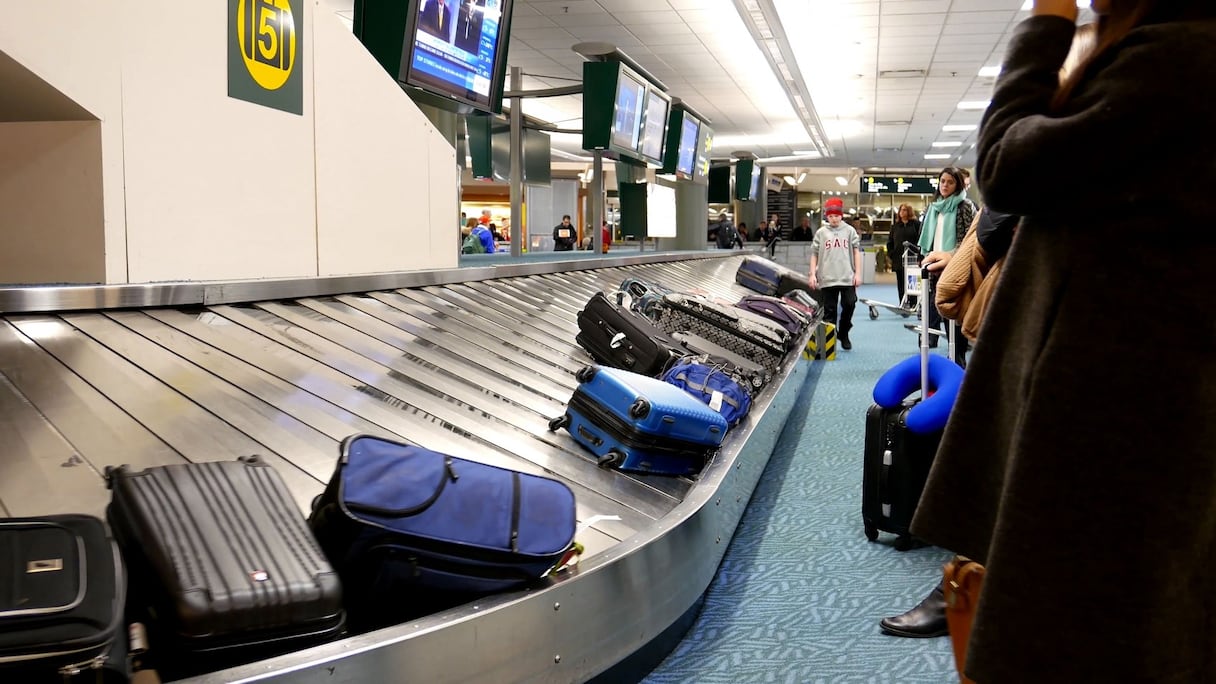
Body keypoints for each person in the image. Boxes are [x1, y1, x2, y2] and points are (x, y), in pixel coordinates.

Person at [910, 3, 1216, 682]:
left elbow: (1007, 166)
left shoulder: (1181, 51)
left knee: (1079, 621)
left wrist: (1043, 23)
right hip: (1113, 402)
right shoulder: (1167, 50)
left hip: (1113, 417)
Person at [880, 18, 1096, 644]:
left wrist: (1048, 24)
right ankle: (973, 581)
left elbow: (1002, 176)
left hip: (1089, 339)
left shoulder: (1157, 69)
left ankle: (975, 587)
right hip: (1068, 330)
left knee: (1024, 464)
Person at [917, 167, 975, 347]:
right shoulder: (933, 207)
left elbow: (970, 238)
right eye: (942, 181)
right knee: (937, 306)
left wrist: (950, 256)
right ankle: (934, 341)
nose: (945, 185)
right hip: (934, 265)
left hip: (956, 265)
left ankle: (958, 355)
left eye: (950, 182)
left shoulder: (965, 205)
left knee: (955, 311)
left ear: (957, 184)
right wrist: (926, 256)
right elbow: (928, 237)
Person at [809, 197, 861, 350]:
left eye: (836, 216)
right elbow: (814, 254)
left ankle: (844, 332)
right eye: (830, 216)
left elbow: (856, 252)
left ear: (841, 215)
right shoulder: (821, 233)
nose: (834, 219)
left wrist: (858, 273)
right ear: (826, 216)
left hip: (847, 276)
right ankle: (828, 344)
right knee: (829, 311)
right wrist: (812, 274)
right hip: (827, 277)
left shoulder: (849, 231)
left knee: (850, 304)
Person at [887, 204, 922, 304]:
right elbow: (890, 242)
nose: (902, 212)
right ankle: (903, 302)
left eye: (904, 210)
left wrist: (919, 254)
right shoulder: (895, 226)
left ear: (909, 212)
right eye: (900, 210)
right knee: (901, 282)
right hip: (898, 258)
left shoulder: (916, 225)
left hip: (912, 258)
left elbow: (920, 240)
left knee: (913, 281)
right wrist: (891, 254)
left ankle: (913, 302)